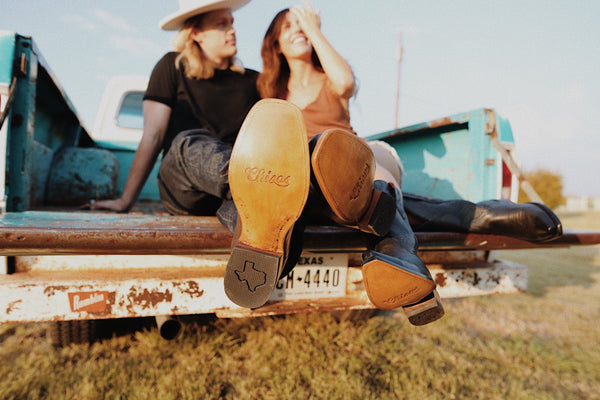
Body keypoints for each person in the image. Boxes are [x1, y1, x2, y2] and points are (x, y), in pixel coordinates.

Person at [257, 3, 563, 325]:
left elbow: (346, 84)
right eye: (288, 26)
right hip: (312, 180)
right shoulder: (271, 92)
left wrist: (315, 29)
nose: (299, 29)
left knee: (368, 164)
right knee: (330, 185)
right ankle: (458, 222)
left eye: (302, 22)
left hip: (362, 160)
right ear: (275, 43)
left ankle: (402, 249)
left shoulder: (330, 77)